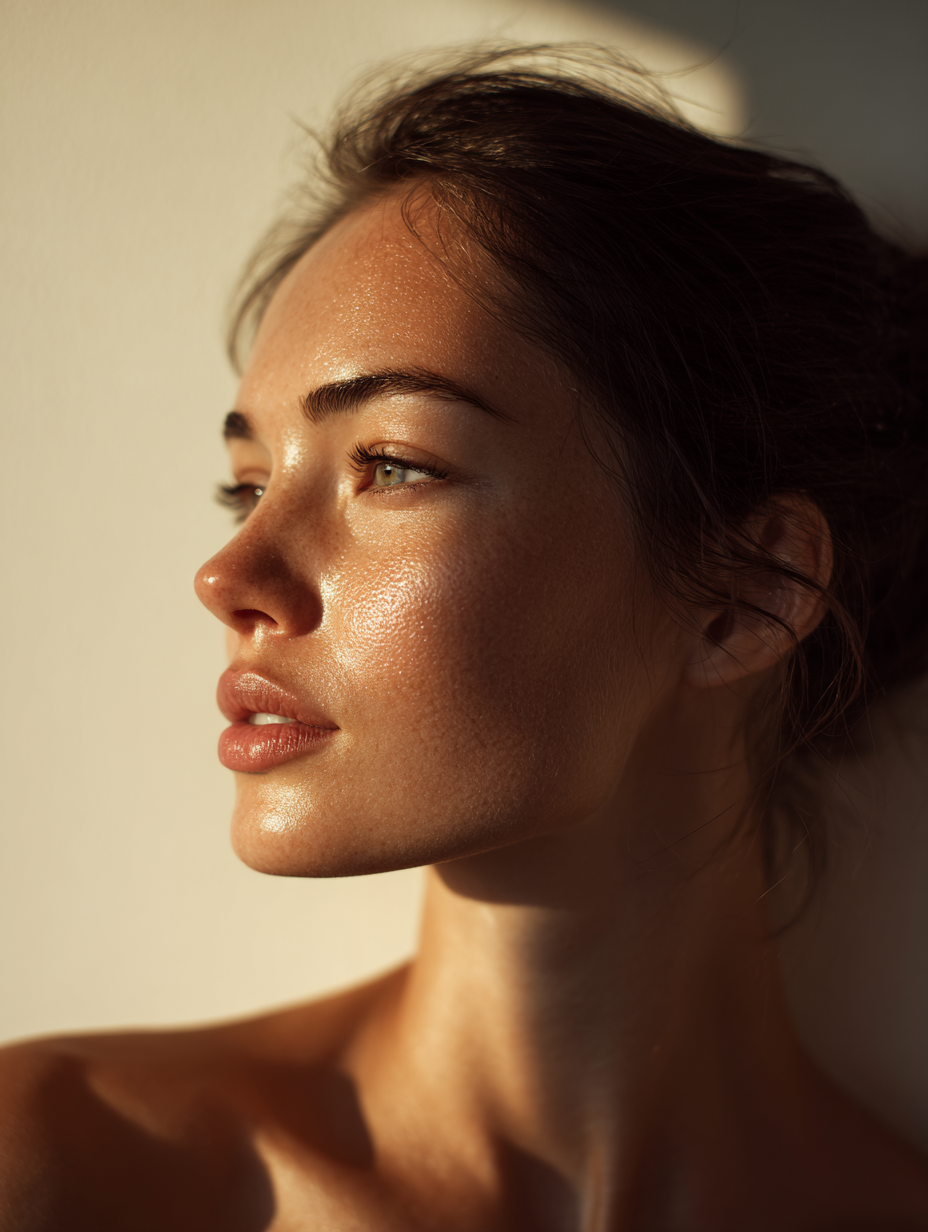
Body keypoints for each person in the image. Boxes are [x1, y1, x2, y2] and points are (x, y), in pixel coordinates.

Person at [1, 45, 927, 1231]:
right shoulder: (71, 1173)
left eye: (389, 464)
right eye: (246, 484)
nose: (228, 574)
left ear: (745, 591)